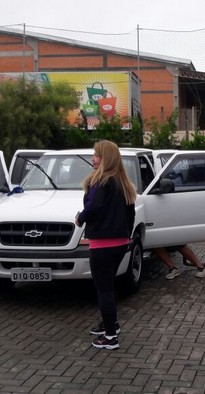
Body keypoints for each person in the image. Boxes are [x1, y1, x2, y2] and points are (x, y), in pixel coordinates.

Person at [75, 140, 136, 350]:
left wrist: (80, 218)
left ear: (106, 159)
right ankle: (111, 325)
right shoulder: (123, 183)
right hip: (120, 242)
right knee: (109, 286)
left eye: (96, 155)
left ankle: (110, 337)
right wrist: (127, 235)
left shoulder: (100, 181)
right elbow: (131, 214)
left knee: (104, 289)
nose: (93, 158)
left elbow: (94, 206)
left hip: (102, 243)